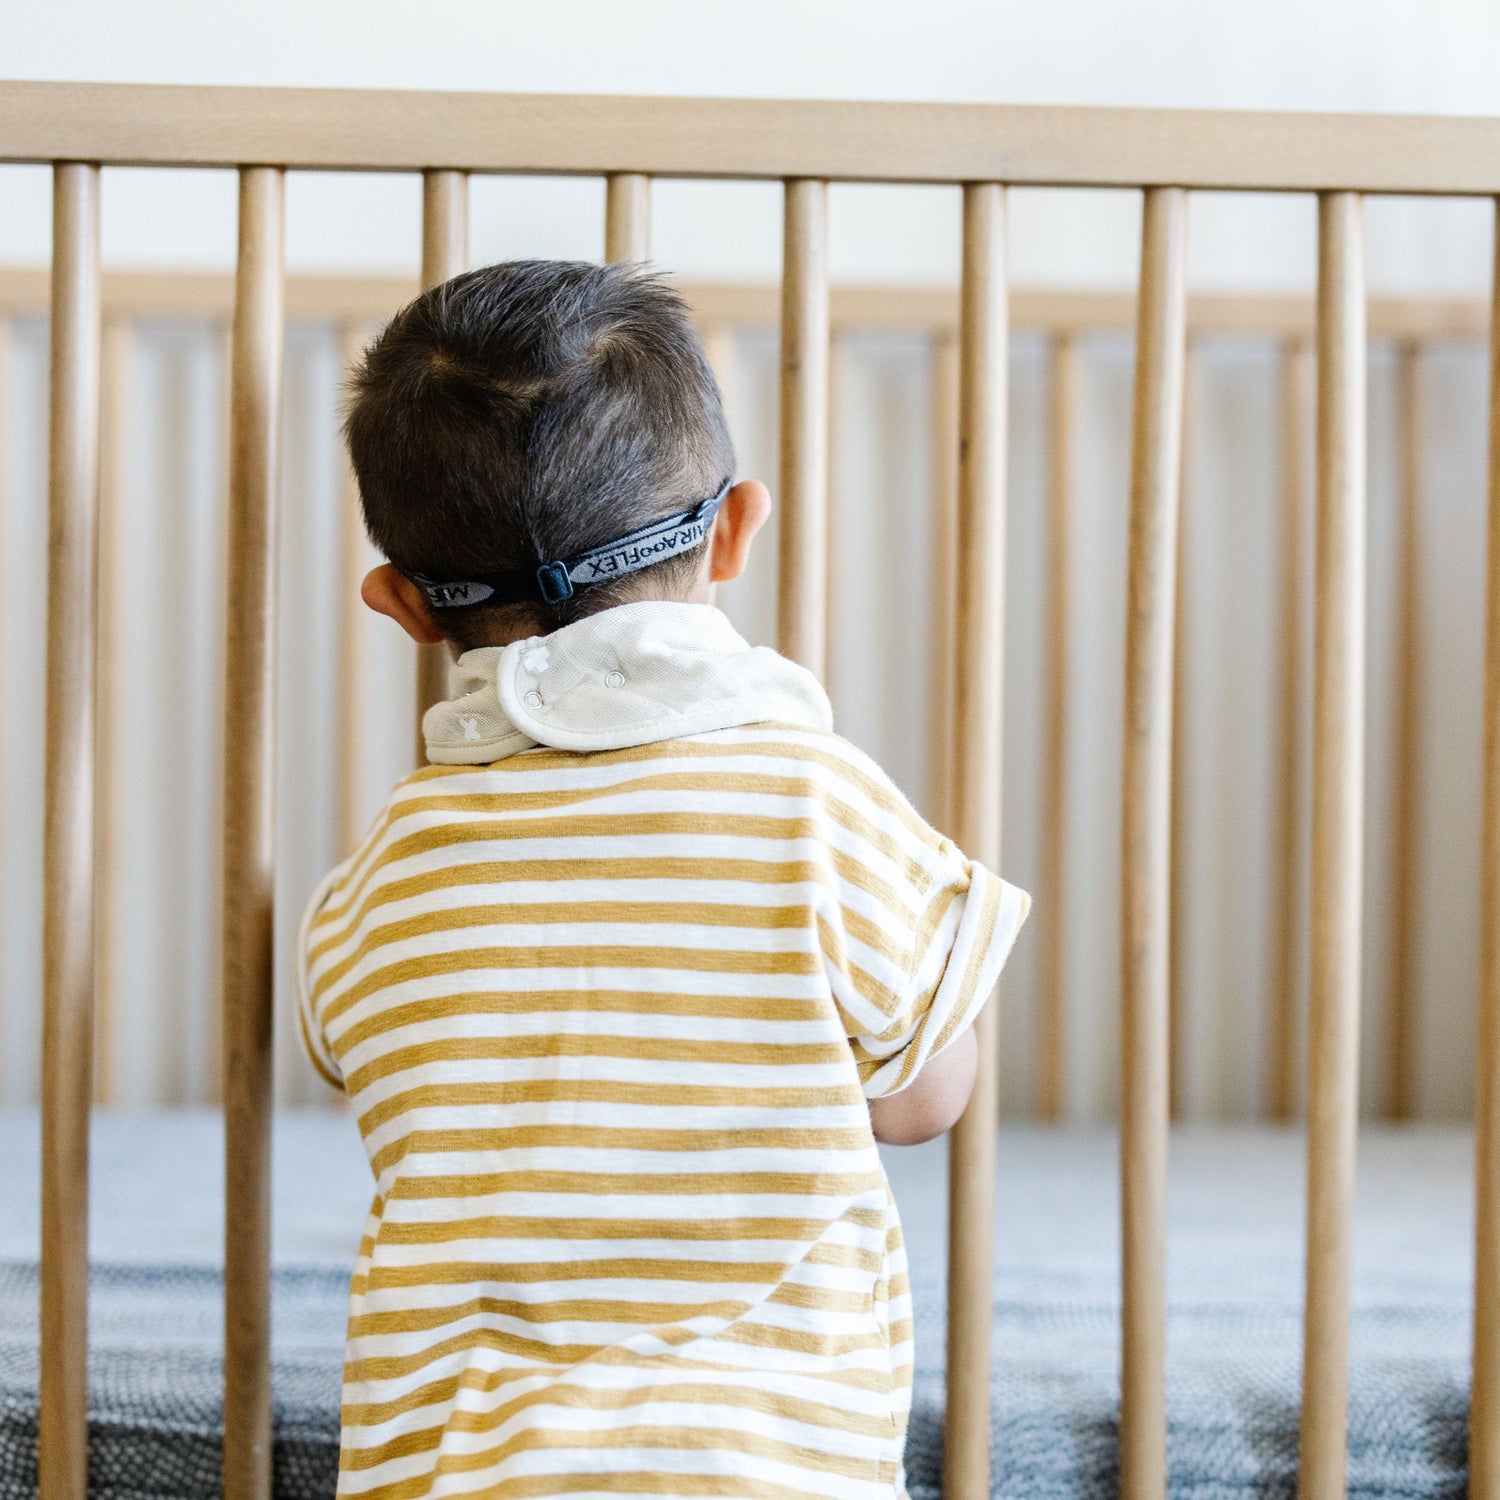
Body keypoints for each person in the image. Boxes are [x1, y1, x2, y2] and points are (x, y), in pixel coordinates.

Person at [298, 259, 1029, 1500]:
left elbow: (361, 1063)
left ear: (405, 605)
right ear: (735, 528)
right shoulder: (817, 801)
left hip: (461, 1472)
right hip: (767, 1468)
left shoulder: (384, 877)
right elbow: (924, 1101)